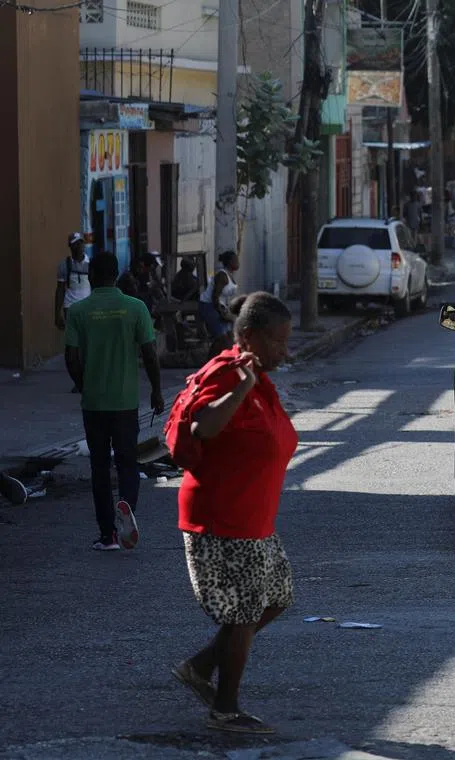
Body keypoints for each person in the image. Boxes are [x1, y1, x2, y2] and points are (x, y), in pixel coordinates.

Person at [173, 292, 297, 735]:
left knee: (276, 598)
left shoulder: (259, 376)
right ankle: (225, 708)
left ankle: (201, 666)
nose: (286, 350)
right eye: (278, 341)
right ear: (248, 336)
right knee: (243, 614)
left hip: (253, 519)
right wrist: (241, 387)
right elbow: (201, 427)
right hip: (222, 518)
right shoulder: (231, 374)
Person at [64, 252, 164, 551]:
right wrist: (157, 391)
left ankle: (107, 536)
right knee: (127, 462)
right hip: (125, 402)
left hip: (94, 403)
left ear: (92, 275)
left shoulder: (79, 311)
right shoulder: (135, 308)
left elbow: (71, 358)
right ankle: (127, 507)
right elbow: (149, 353)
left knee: (99, 467)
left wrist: (83, 385)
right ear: (116, 273)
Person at [199, 251, 240, 358]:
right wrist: (222, 313)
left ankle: (224, 362)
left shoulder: (230, 275)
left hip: (219, 306)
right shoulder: (222, 275)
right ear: (229, 262)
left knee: (230, 338)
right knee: (221, 338)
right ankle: (208, 363)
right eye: (235, 260)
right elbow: (215, 297)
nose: (237, 262)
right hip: (209, 306)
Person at [56, 232, 91, 331]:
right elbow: (60, 290)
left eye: (81, 243)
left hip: (87, 307)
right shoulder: (64, 265)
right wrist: (57, 314)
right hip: (70, 308)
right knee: (73, 339)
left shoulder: (90, 264)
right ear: (70, 246)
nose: (79, 246)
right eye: (76, 244)